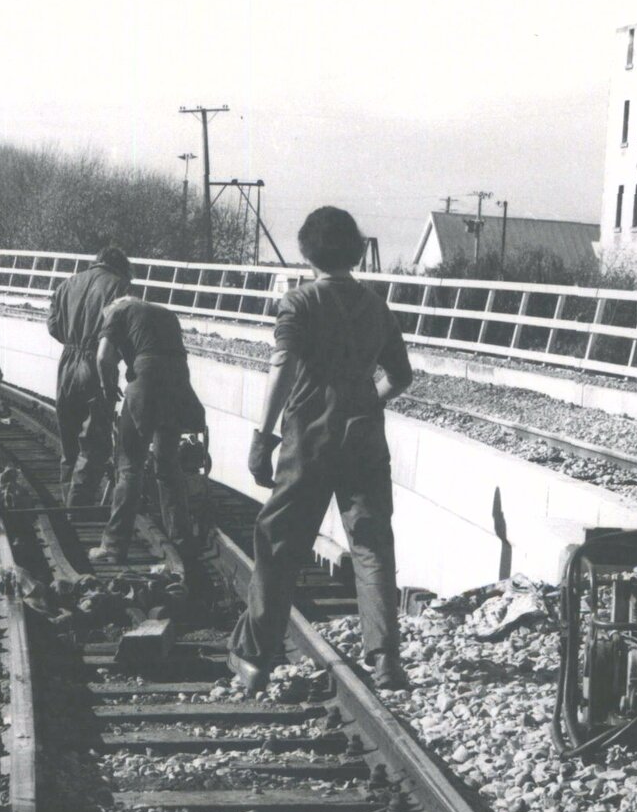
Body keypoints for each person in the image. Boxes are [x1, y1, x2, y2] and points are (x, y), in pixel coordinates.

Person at [228, 206, 414, 695]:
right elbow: (401, 376)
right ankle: (386, 659)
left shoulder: (298, 303)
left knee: (279, 543)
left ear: (306, 250)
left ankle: (254, 658)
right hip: (365, 438)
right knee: (372, 544)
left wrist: (261, 438)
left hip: (309, 437)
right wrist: (364, 400)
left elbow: (282, 368)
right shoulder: (378, 306)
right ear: (353, 249)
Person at [91, 293, 205, 568]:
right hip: (179, 385)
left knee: (130, 465)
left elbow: (104, 357)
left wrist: (108, 388)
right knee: (167, 465)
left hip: (146, 381)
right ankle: (181, 542)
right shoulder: (164, 313)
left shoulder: (117, 312)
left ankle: (114, 545)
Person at [45, 246, 132, 506]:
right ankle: (78, 505)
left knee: (68, 436)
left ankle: (67, 497)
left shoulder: (66, 284)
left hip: (68, 361)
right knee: (94, 440)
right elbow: (122, 329)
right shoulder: (121, 286)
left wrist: (73, 340)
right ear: (120, 266)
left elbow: (52, 326)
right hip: (97, 362)